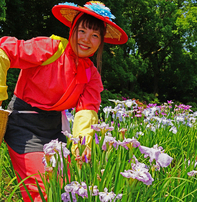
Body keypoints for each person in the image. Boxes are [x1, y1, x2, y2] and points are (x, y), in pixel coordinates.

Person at [0, 1, 128, 202]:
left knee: (69, 189)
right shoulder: (50, 48)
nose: (86, 39)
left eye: (95, 35)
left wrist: (82, 147)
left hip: (56, 131)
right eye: (82, 31)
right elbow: (5, 51)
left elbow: (86, 111)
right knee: (42, 188)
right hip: (25, 126)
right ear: (72, 30)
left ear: (101, 41)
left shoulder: (91, 75)